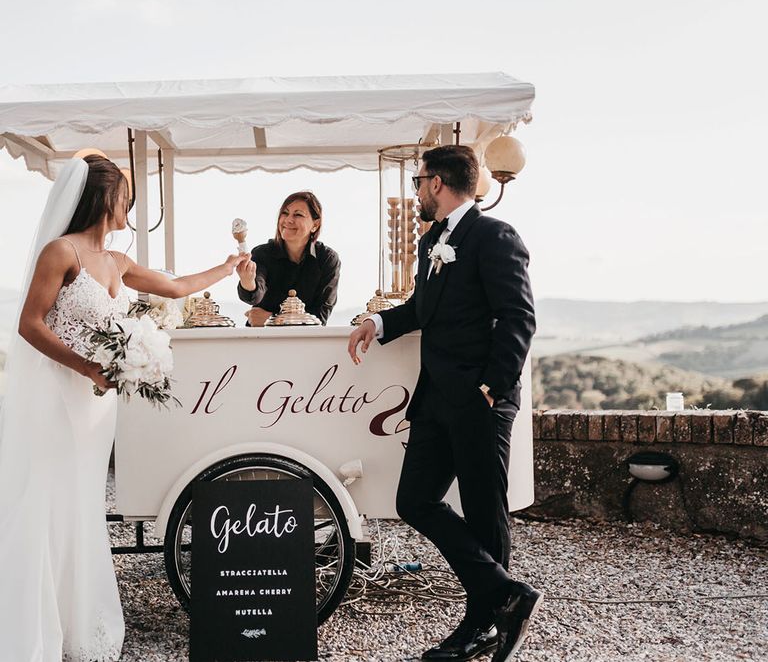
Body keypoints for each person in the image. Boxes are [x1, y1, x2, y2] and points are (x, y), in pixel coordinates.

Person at [0, 155, 249, 661]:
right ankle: (35, 626)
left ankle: (77, 622)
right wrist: (86, 367)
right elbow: (30, 324)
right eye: (125, 197)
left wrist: (228, 268)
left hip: (96, 408)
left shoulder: (118, 263)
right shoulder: (60, 252)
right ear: (103, 197)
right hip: (59, 396)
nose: (129, 207)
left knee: (82, 504)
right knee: (48, 497)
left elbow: (176, 288)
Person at [347, 145, 540, 662]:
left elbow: (518, 317)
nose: (415, 192)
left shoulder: (494, 236)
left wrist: (492, 388)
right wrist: (379, 323)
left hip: (480, 401)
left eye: (417, 182)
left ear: (437, 183)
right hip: (434, 400)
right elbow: (422, 309)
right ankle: (505, 594)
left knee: (483, 511)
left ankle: (482, 627)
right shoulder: (433, 240)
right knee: (413, 500)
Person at [235, 191, 340, 325]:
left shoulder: (327, 259)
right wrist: (247, 281)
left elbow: (320, 316)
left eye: (298, 214)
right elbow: (254, 296)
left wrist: (271, 319)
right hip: (262, 341)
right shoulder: (262, 253)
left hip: (305, 342)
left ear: (315, 225)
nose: (288, 220)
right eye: (285, 213)